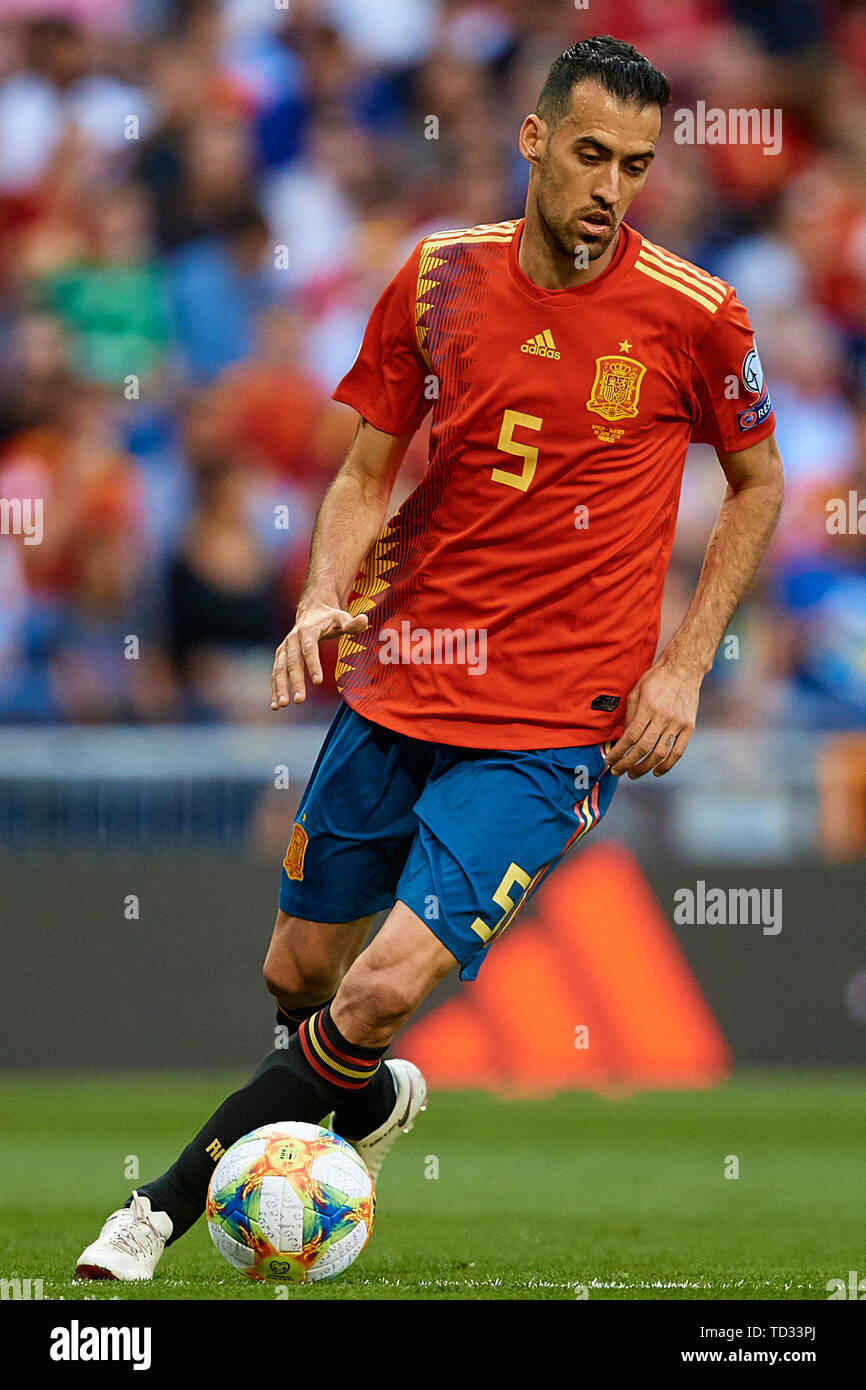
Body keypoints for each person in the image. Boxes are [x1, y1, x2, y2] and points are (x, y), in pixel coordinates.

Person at [75, 35, 783, 1281]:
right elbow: (363, 472)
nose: (609, 186)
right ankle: (361, 1108)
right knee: (298, 970)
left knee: (378, 990)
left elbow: (758, 481)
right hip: (401, 676)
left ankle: (156, 1210)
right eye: (587, 155)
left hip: (557, 722)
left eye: (634, 163)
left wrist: (681, 669)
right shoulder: (435, 280)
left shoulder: (693, 313)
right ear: (531, 141)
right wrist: (317, 596)